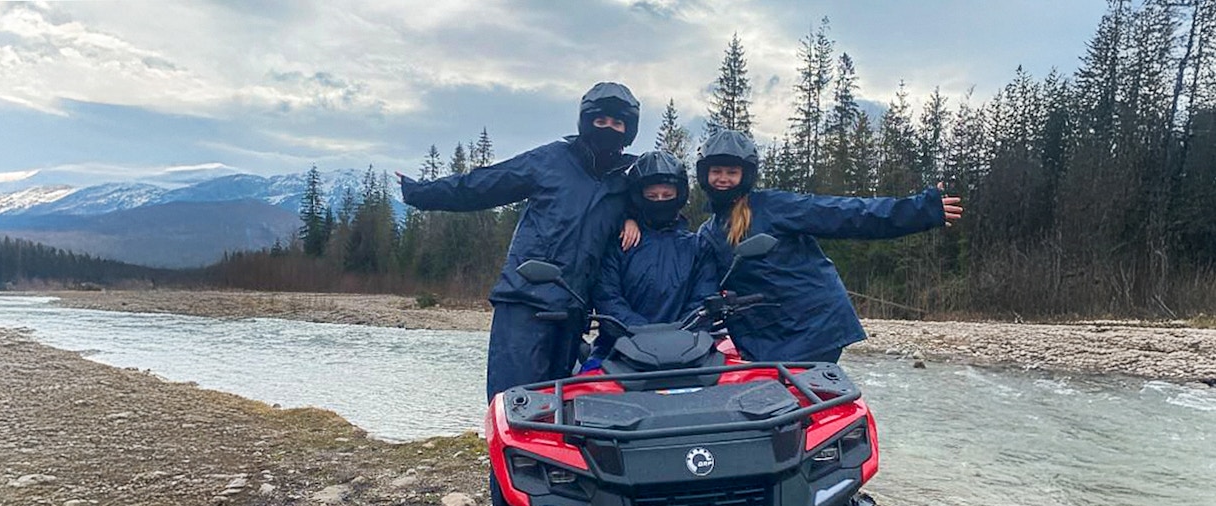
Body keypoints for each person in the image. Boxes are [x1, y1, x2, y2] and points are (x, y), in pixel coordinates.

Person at [395, 82, 641, 401]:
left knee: (560, 410)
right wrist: (420, 193)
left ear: (628, 129)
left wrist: (631, 214)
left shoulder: (625, 180)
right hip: (525, 300)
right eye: (601, 121)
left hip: (574, 308)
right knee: (512, 402)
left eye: (617, 123)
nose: (609, 129)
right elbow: (484, 184)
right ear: (587, 121)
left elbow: (660, 206)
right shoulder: (551, 159)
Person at [694, 129, 964, 363]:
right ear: (705, 175)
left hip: (811, 327)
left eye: (732, 172)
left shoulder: (774, 207)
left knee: (794, 412)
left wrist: (920, 210)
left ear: (746, 174)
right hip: (764, 333)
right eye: (716, 171)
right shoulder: (708, 233)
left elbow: (848, 214)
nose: (723, 178)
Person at [587, 150, 717, 365]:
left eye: (667, 196)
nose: (660, 201)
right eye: (652, 196)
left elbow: (703, 299)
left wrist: (678, 334)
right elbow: (607, 297)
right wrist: (641, 332)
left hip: (690, 351)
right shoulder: (618, 243)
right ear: (639, 197)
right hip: (617, 351)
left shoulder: (697, 246)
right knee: (578, 393)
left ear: (680, 195)